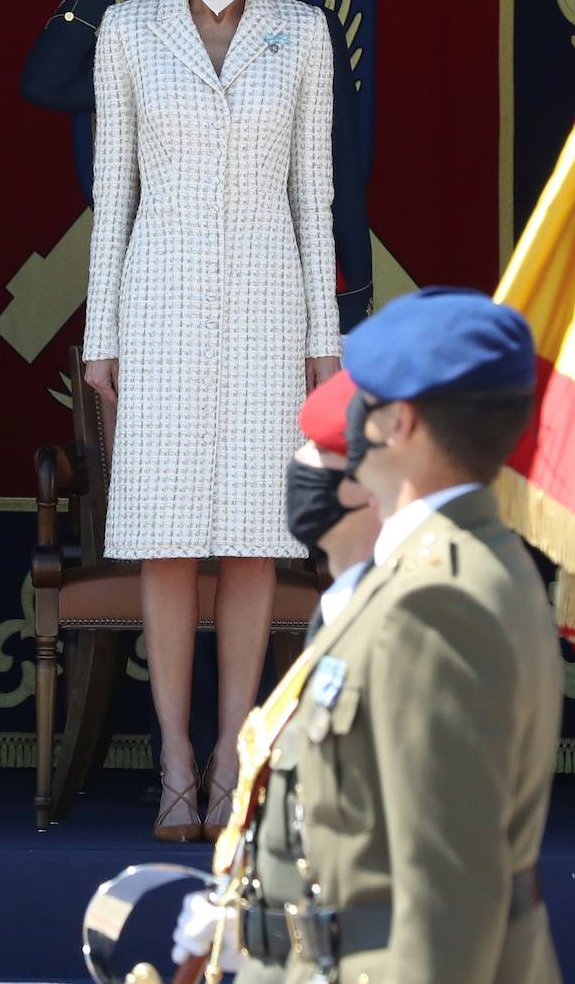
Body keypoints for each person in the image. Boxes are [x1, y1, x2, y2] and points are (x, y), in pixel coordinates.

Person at [82, 0, 343, 843]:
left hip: (274, 301)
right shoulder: (129, 31)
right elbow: (116, 194)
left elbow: (311, 193)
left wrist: (326, 338)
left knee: (250, 540)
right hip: (158, 297)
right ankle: (175, 764)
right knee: (165, 537)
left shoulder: (303, 32)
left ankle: (236, 755)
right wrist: (101, 334)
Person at [265, 286, 563, 984]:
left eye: (367, 400)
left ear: (398, 423)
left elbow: (446, 897)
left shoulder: (436, 599)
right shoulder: (428, 568)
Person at [20, 0, 373, 332]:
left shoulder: (305, 30)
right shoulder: (139, 35)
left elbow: (338, 166)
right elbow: (47, 84)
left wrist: (351, 300)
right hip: (169, 289)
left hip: (276, 290)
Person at [170, 368, 381, 982]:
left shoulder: (404, 612)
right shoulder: (345, 613)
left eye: (323, 458)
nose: (303, 475)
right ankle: (181, 769)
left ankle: (220, 775)